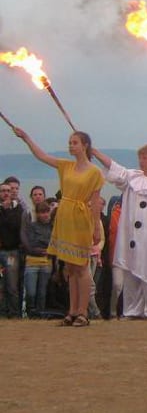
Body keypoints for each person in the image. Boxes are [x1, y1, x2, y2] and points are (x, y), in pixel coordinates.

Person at [13, 129, 103, 327]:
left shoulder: (95, 172)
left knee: (81, 265)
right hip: (65, 216)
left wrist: (97, 227)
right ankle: (72, 311)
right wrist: (27, 138)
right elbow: (42, 156)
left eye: (75, 142)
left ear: (85, 146)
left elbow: (96, 202)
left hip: (80, 217)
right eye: (70, 142)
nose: (71, 145)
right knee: (70, 267)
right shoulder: (66, 166)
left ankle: (83, 312)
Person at [93, 144, 147, 320]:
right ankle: (132, 309)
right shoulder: (133, 178)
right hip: (133, 237)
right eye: (140, 157)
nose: (141, 161)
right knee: (131, 273)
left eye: (145, 158)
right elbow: (114, 168)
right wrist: (95, 152)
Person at [22, 201, 54, 317]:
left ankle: (40, 315)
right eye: (42, 212)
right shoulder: (32, 226)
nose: (45, 215)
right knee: (31, 292)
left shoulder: (52, 227)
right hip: (32, 263)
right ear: (37, 214)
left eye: (47, 212)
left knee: (42, 292)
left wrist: (44, 245)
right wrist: (44, 248)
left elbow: (53, 242)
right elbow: (31, 243)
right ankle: (30, 313)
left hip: (47, 263)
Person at [0, 181, 23, 318]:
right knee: (0, 286)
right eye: (3, 191)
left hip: (12, 252)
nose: (6, 193)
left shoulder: (17, 208)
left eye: (8, 191)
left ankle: (14, 314)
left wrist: (6, 210)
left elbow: (14, 226)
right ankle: (2, 314)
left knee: (12, 285)